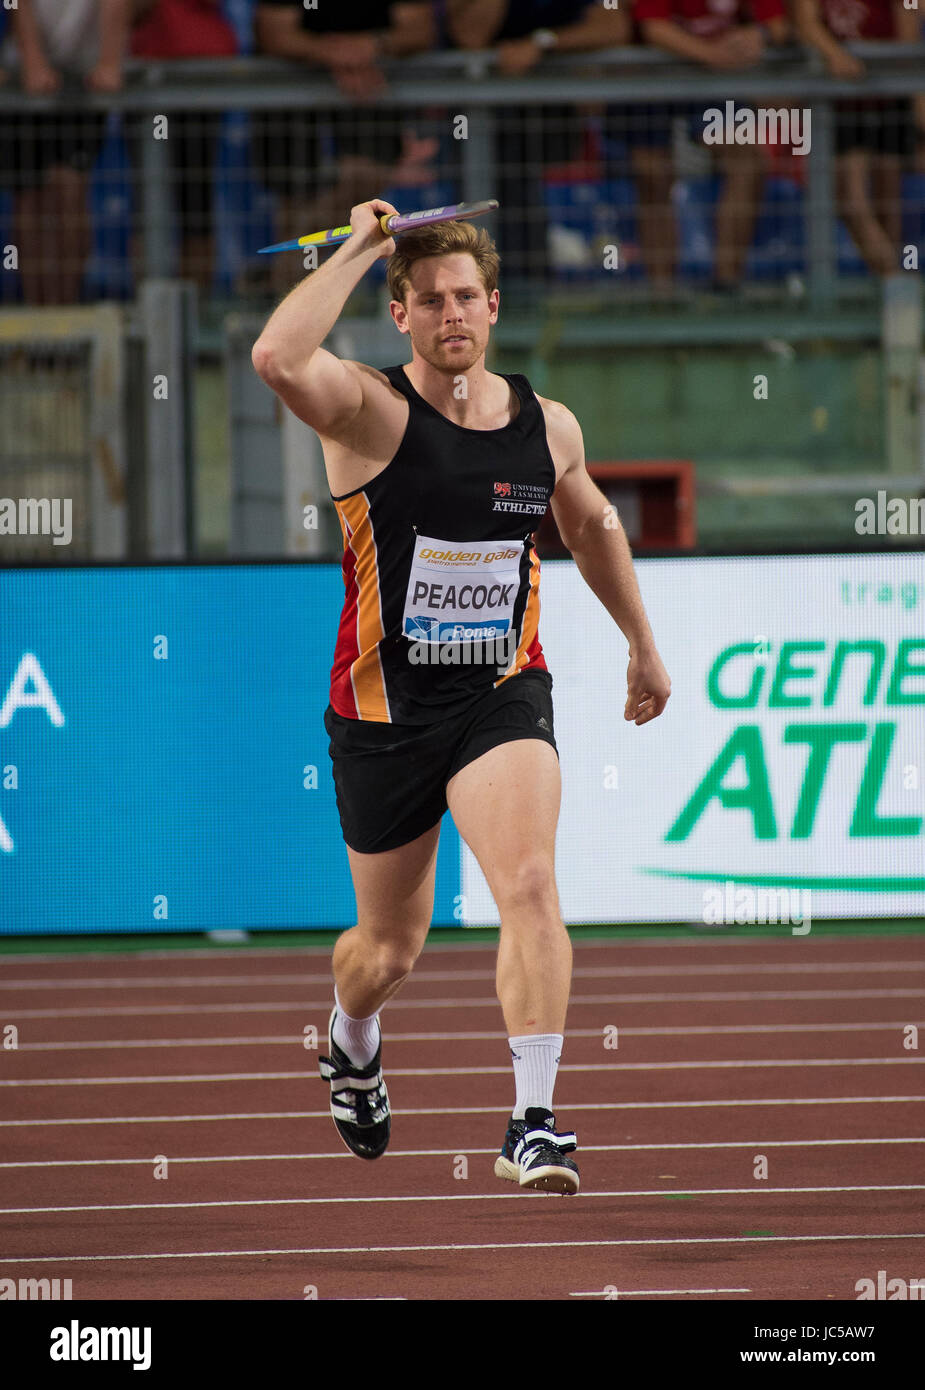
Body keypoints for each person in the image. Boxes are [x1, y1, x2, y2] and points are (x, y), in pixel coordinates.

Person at [251, 200, 671, 1194]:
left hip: (500, 692)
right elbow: (276, 356)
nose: (452, 313)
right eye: (429, 299)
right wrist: (358, 245)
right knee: (386, 950)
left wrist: (642, 645)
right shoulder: (366, 409)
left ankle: (533, 1121)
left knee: (526, 881)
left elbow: (593, 524)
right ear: (399, 313)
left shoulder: (545, 425)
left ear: (494, 305)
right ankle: (352, 1040)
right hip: (384, 715)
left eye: (467, 297)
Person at [252, 0, 439, 295]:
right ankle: (284, 299)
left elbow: (419, 28)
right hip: (291, 105)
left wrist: (371, 46)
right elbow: (273, 31)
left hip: (370, 95)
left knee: (355, 193)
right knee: (298, 208)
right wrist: (333, 51)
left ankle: (289, 294)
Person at [606, 0, 789, 294]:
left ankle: (726, 286)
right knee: (653, 177)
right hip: (649, 78)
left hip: (713, 82)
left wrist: (759, 35)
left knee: (748, 161)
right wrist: (713, 55)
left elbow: (780, 25)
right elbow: (654, 29)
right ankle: (663, 296)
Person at [446, 0, 630, 285]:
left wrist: (543, 42)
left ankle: (531, 295)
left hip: (547, 125)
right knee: (479, 226)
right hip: (474, 126)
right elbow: (471, 36)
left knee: (528, 222)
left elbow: (614, 28)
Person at [0, 0, 132, 304]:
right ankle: (39, 316)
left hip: (82, 75)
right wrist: (33, 61)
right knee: (30, 198)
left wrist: (109, 61)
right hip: (22, 77)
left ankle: (67, 310)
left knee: (71, 192)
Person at [792, 0, 925, 276]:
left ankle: (888, 293)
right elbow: (805, 24)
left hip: (888, 97)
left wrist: (916, 101)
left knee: (888, 203)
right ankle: (898, 283)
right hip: (839, 102)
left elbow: (907, 32)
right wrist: (836, 54)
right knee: (851, 199)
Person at [128, 0, 238, 290]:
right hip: (146, 76)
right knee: (148, 204)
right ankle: (149, 311)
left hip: (198, 78)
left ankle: (195, 312)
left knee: (196, 203)